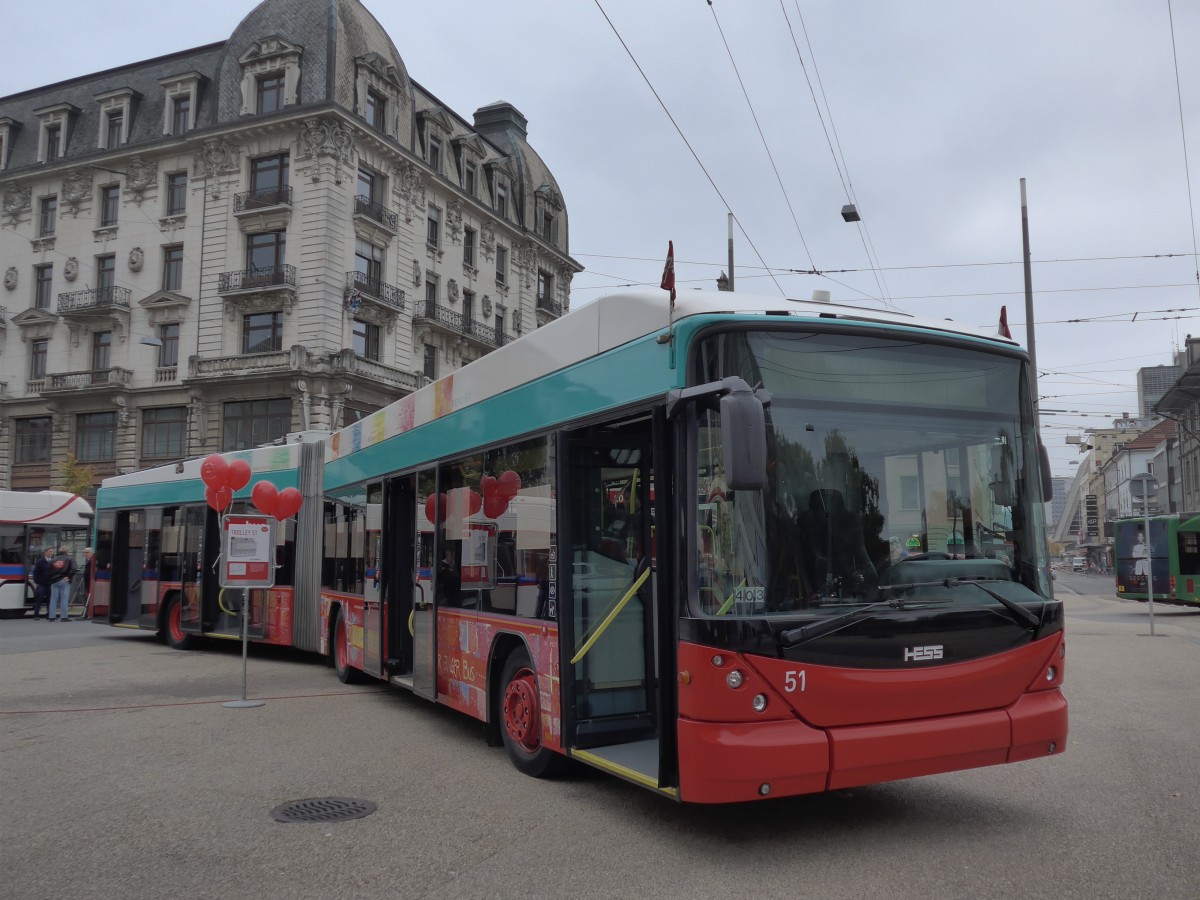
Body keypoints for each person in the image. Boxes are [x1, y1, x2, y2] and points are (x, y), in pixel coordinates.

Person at [47, 546, 76, 622]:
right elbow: (74, 569)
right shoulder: (70, 558)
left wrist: (51, 578)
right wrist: (68, 577)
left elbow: (48, 570)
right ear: (67, 551)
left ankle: (51, 617)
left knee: (53, 599)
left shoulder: (53, 559)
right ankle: (64, 617)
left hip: (54, 581)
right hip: (64, 580)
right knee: (64, 599)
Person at [31, 547, 54, 618]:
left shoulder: (53, 561)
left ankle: (49, 614)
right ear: (45, 552)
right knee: (39, 599)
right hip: (42, 584)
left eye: (52, 552)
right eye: (50, 552)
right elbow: (35, 573)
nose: (51, 553)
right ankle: (36, 614)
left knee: (50, 600)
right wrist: (37, 581)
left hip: (50, 584)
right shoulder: (40, 561)